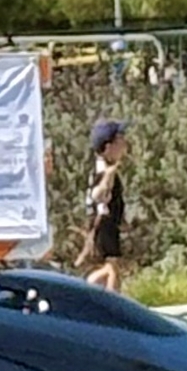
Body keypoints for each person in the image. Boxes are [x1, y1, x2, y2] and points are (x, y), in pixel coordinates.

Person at [79, 118, 129, 291]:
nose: (124, 143)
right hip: (104, 223)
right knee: (113, 266)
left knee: (111, 267)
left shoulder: (106, 167)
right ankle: (110, 301)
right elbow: (97, 195)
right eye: (120, 139)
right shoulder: (103, 169)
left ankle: (96, 293)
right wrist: (108, 176)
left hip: (109, 224)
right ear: (108, 147)